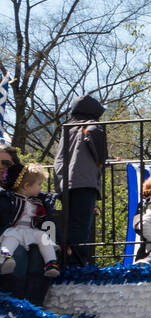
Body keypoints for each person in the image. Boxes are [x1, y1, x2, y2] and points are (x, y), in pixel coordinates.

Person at [52, 94, 108, 266]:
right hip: (83, 181)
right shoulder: (91, 125)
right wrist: (102, 161)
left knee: (69, 223)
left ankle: (67, 259)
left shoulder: (68, 128)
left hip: (65, 180)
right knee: (81, 226)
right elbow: (94, 143)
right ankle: (76, 263)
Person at [0, 162, 60, 277]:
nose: (41, 188)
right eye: (39, 184)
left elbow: (46, 220)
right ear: (27, 186)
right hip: (15, 229)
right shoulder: (9, 199)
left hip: (31, 230)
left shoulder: (38, 202)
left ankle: (51, 263)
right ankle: (5, 259)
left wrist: (56, 239)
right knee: (10, 240)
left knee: (44, 238)